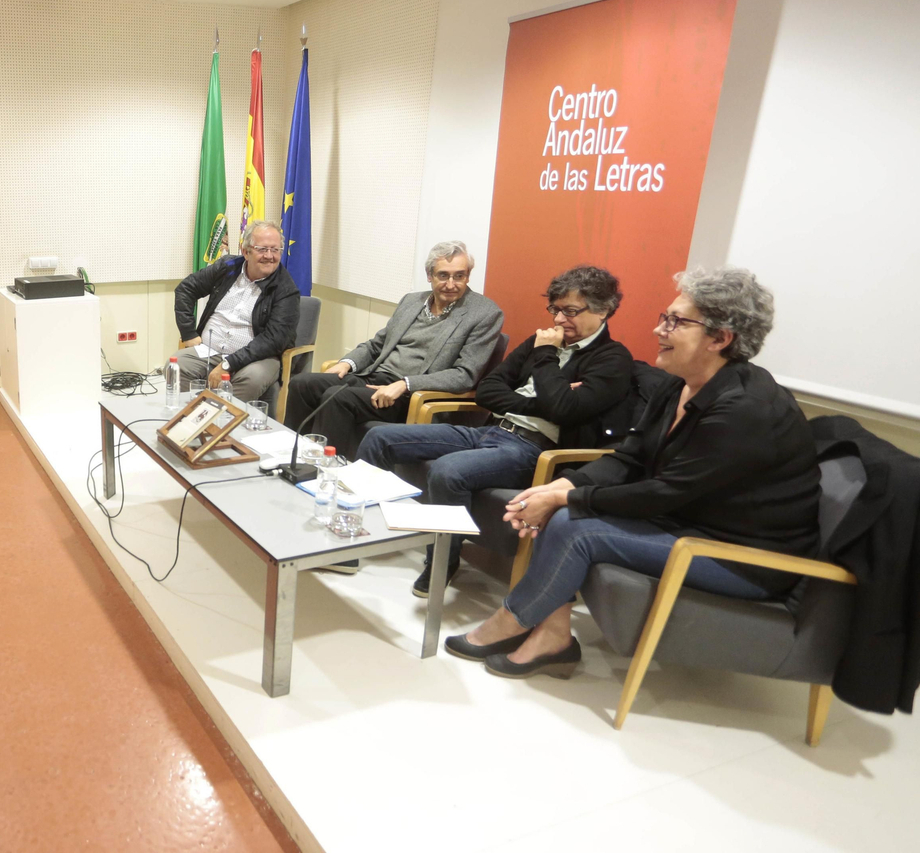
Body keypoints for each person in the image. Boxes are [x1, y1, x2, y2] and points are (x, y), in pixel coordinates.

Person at [445, 267, 821, 679]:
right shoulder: (679, 384)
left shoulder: (745, 408)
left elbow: (664, 493)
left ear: (720, 338)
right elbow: (629, 456)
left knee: (576, 527)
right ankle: (553, 636)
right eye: (665, 315)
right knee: (560, 508)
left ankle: (511, 622)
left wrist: (565, 498)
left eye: (676, 321)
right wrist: (560, 487)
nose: (659, 328)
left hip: (744, 556)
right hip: (688, 522)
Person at [357, 265, 635, 594]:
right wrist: (538, 402)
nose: (559, 320)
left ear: (603, 310)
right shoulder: (539, 340)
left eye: (571, 311)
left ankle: (443, 561)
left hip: (535, 450)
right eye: (555, 309)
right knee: (379, 438)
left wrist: (546, 357)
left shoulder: (612, 360)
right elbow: (489, 389)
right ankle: (359, 535)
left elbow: (566, 411)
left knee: (449, 471)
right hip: (490, 430)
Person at [283, 241, 504, 459]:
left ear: (468, 275)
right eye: (443, 275)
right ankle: (290, 455)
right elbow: (377, 344)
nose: (451, 284)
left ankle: (327, 469)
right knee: (303, 384)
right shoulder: (411, 301)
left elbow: (464, 375)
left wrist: (405, 384)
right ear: (430, 276)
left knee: (337, 398)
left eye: (460, 276)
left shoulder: (484, 313)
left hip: (412, 395)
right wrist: (347, 363)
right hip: (373, 376)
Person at [171, 220, 300, 402]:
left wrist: (229, 363)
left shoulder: (286, 290)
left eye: (275, 249)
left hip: (255, 358)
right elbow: (186, 289)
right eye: (262, 249)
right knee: (177, 364)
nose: (269, 256)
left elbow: (274, 340)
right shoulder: (227, 268)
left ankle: (220, 422)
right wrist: (188, 332)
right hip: (209, 350)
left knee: (252, 380)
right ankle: (187, 418)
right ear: (246, 251)